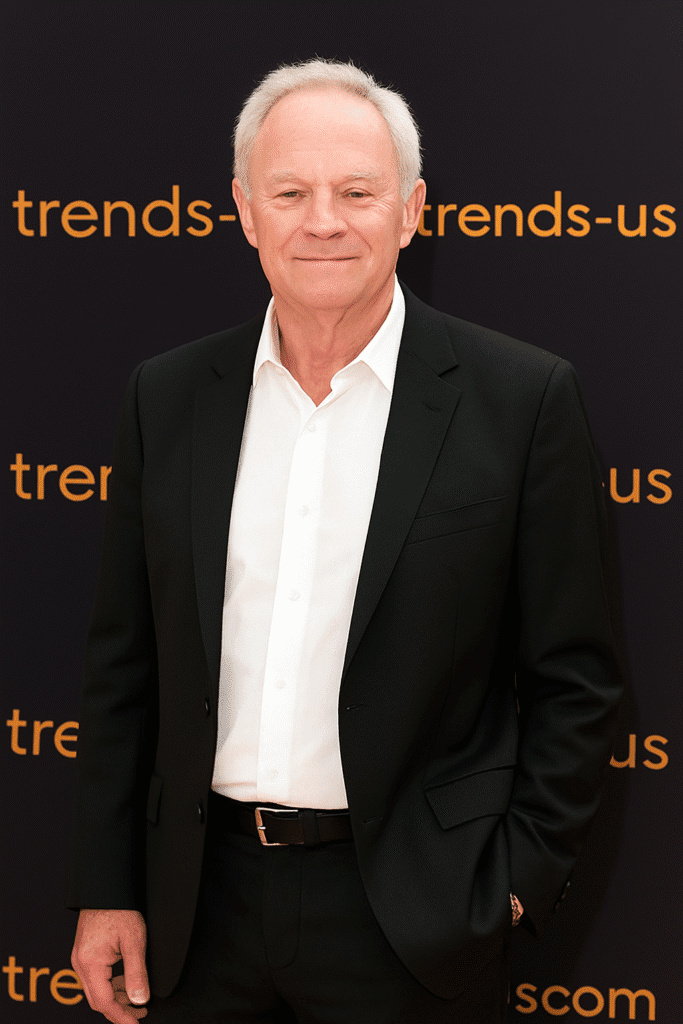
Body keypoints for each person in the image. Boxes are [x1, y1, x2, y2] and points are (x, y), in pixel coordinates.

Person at [68, 58, 623, 1023]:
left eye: (355, 192)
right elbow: (125, 669)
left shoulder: (521, 400)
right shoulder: (165, 396)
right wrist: (108, 885)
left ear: (409, 212)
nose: (322, 219)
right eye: (290, 191)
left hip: (415, 918)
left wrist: (512, 887)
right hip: (197, 911)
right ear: (245, 212)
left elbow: (576, 681)